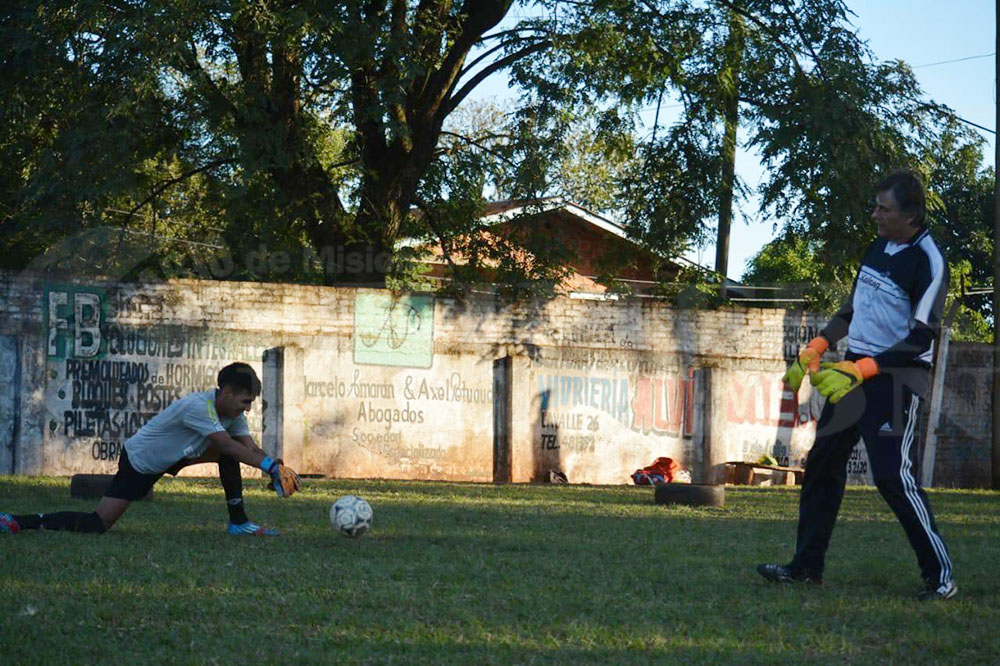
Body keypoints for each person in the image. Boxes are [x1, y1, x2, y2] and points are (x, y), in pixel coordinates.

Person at [756, 171, 956, 601]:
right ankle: (806, 567)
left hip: (895, 382)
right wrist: (819, 345)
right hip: (852, 373)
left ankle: (940, 576)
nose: (875, 214)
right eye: (876, 206)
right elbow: (852, 310)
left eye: (884, 208)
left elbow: (921, 340)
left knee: (891, 476)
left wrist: (861, 370)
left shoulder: (930, 261)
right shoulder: (877, 246)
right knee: (823, 463)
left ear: (911, 214)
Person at [0, 362, 300, 536]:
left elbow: (248, 447)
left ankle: (239, 523)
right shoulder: (199, 406)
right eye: (245, 401)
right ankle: (20, 521)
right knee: (98, 524)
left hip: (181, 454)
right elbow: (224, 444)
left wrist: (273, 466)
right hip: (142, 460)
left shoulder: (230, 413)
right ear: (229, 392)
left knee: (231, 451)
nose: (247, 409)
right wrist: (269, 468)